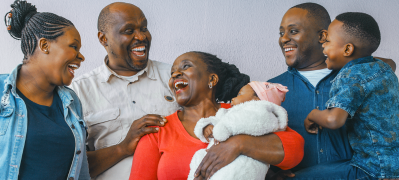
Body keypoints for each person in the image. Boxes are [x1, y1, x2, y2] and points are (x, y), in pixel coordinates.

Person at [268, 2, 399, 179]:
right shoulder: (270, 91)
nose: (283, 39)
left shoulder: (365, 80)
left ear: (323, 36)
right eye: (281, 33)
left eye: (293, 31)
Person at [129, 51, 304, 180]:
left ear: (212, 80)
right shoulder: (158, 131)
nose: (175, 74)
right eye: (172, 72)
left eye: (186, 66)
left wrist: (238, 144)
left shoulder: (241, 109)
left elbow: (295, 148)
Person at [0, 0, 89, 179]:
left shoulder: (72, 103)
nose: (81, 56)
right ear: (44, 45)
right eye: (74, 46)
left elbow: (82, 174)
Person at [69, 2, 180, 179]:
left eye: (144, 28)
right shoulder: (79, 91)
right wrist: (123, 147)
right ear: (103, 39)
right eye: (129, 31)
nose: (141, 36)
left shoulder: (174, 77)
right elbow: (71, 167)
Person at [189, 82, 292, 180]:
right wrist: (207, 126)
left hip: (242, 164)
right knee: (198, 158)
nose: (234, 98)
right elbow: (218, 120)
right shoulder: (229, 112)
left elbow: (239, 122)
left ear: (257, 99)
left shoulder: (261, 112)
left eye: (239, 94)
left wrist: (222, 130)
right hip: (217, 160)